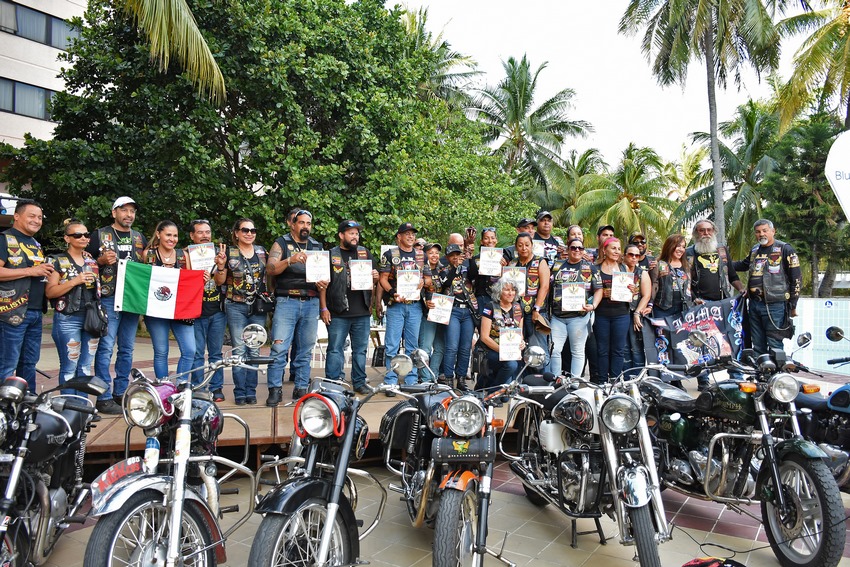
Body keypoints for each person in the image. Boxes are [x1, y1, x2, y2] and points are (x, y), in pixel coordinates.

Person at [87, 196, 145, 414]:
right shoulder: (99, 235)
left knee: (127, 348)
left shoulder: (139, 237)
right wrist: (99, 261)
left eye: (132, 211)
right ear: (114, 213)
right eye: (124, 210)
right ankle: (103, 396)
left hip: (132, 298)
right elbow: (83, 261)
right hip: (109, 297)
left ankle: (120, 392)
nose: (129, 214)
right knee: (105, 347)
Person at [266, 209, 324, 403]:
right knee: (279, 349)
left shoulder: (316, 246)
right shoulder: (281, 243)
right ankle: (275, 389)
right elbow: (271, 269)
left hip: (311, 301)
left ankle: (300, 388)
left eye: (308, 223)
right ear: (292, 224)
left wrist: (324, 283)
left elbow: (323, 276)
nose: (305, 226)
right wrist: (290, 260)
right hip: (287, 301)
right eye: (301, 223)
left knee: (306, 350)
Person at [319, 220, 377, 395]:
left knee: (360, 350)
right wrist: (323, 308)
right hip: (337, 311)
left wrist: (374, 277)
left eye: (357, 233)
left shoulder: (364, 253)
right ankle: (333, 383)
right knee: (335, 349)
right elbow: (322, 285)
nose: (355, 236)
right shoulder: (331, 255)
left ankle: (359, 382)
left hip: (361, 311)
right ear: (341, 235)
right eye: (351, 233)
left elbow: (374, 281)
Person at [214, 218, 268, 405]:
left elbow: (269, 276)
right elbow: (219, 281)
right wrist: (221, 266)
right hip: (235, 305)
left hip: (257, 306)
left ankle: (250, 391)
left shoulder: (262, 252)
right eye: (245, 230)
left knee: (254, 350)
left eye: (253, 230)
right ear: (236, 233)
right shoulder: (228, 252)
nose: (249, 234)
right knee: (239, 350)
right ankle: (239, 392)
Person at [0, 200, 52, 393]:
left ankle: (26, 406)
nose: (37, 221)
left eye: (39, 217)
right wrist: (32, 271)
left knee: (29, 363)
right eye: (32, 216)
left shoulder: (35, 244)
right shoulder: (4, 239)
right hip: (11, 312)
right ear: (16, 216)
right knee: (7, 365)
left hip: (36, 312)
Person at [46, 219, 100, 395]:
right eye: (77, 235)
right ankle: (69, 408)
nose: (83, 238)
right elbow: (50, 292)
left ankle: (81, 411)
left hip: (91, 318)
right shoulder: (57, 260)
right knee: (70, 367)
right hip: (68, 318)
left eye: (86, 234)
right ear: (67, 238)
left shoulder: (91, 260)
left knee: (85, 367)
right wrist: (75, 281)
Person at [733, 219, 801, 356]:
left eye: (765, 231)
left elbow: (796, 278)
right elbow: (742, 265)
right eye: (758, 232)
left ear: (773, 231)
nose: (761, 234)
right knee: (757, 344)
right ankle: (761, 375)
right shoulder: (755, 250)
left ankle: (777, 376)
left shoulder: (785, 249)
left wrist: (793, 305)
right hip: (754, 304)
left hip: (775, 304)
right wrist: (723, 262)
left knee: (774, 342)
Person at [378, 222, 431, 389]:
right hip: (396, 305)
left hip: (415, 305)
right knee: (392, 344)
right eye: (406, 233)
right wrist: (392, 292)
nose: (410, 236)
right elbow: (383, 279)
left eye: (412, 233)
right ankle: (390, 380)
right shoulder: (390, 254)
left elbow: (429, 280)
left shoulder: (422, 255)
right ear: (398, 236)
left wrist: (424, 281)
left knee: (412, 345)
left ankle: (411, 380)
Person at [142, 221, 196, 381]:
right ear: (158, 234)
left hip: (180, 310)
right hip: (156, 310)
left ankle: (180, 385)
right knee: (161, 351)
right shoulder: (148, 255)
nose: (172, 239)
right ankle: (163, 388)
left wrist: (202, 278)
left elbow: (190, 280)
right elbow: (142, 281)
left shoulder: (183, 256)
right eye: (168, 235)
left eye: (175, 235)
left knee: (190, 350)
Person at [187, 219, 226, 402]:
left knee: (216, 354)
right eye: (200, 232)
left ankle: (216, 388)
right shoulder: (185, 255)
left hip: (216, 311)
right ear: (192, 236)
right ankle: (198, 388)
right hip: (195, 312)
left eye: (207, 232)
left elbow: (220, 282)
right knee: (196, 353)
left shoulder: (218, 254)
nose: (205, 236)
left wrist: (219, 267)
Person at [549, 238, 594, 378]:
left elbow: (598, 289)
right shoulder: (556, 266)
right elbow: (547, 286)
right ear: (567, 250)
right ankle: (555, 380)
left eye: (580, 248)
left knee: (578, 351)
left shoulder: (589, 267)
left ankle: (575, 382)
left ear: (583, 250)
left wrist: (593, 305)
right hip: (558, 317)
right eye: (573, 248)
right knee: (555, 350)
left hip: (579, 317)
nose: (576, 250)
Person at [436, 243, 478, 390]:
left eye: (457, 255)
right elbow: (445, 282)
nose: (455, 257)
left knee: (465, 347)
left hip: (468, 311)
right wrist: (454, 268)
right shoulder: (443, 269)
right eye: (452, 255)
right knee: (452, 347)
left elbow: (475, 274)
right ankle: (448, 379)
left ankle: (461, 379)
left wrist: (470, 258)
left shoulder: (466, 267)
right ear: (448, 257)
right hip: (452, 310)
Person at [506, 232, 550, 369]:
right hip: (517, 312)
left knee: (538, 349)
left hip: (536, 311)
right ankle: (522, 381)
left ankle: (544, 382)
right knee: (519, 346)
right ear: (516, 247)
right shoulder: (513, 264)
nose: (524, 248)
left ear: (532, 246)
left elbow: (545, 286)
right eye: (520, 245)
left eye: (527, 245)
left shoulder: (540, 261)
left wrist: (537, 308)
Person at [589, 237, 630, 382]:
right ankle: (602, 381)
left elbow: (631, 292)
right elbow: (590, 290)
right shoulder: (595, 268)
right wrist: (603, 292)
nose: (617, 252)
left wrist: (633, 290)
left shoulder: (624, 268)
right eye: (613, 248)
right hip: (601, 314)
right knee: (602, 349)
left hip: (621, 314)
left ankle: (615, 380)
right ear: (604, 250)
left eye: (619, 249)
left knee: (618, 350)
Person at [477, 276, 525, 389]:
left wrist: (522, 342)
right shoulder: (490, 306)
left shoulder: (518, 307)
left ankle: (486, 386)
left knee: (505, 398)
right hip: (491, 351)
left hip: (511, 352)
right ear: (499, 291)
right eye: (506, 290)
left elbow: (520, 332)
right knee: (511, 365)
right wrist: (502, 350)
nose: (510, 293)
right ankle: (492, 392)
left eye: (513, 290)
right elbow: (484, 337)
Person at [686, 220, 744, 303]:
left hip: (723, 301)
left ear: (713, 231)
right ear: (696, 233)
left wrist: (741, 289)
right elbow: (685, 281)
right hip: (699, 303)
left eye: (709, 230)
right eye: (702, 230)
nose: (706, 233)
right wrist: (694, 298)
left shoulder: (722, 250)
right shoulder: (689, 253)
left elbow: (732, 274)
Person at [622, 243, 652, 377]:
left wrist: (637, 313)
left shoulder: (642, 273)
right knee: (624, 349)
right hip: (619, 313)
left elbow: (646, 295)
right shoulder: (618, 271)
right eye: (631, 254)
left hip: (635, 313)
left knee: (636, 348)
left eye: (637, 255)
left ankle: (637, 380)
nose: (634, 258)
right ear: (624, 256)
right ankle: (626, 380)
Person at [418, 242, 444, 381]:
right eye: (431, 252)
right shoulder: (421, 271)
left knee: (440, 348)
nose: (434, 255)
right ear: (425, 255)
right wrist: (425, 302)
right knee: (426, 348)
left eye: (436, 253)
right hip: (426, 314)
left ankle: (433, 376)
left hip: (442, 314)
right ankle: (425, 378)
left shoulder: (443, 270)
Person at [651, 234, 693, 320]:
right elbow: (653, 286)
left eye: (683, 247)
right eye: (678, 246)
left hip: (683, 309)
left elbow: (689, 287)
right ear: (669, 246)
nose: (681, 249)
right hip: (663, 309)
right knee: (663, 333)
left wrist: (694, 299)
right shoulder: (659, 264)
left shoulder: (687, 266)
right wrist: (649, 304)